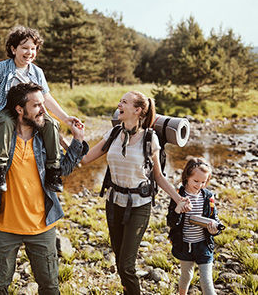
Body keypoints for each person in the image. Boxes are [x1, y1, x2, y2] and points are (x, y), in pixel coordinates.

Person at [0, 82, 89, 295]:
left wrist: (78, 140)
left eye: (43, 104)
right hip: (4, 228)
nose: (44, 110)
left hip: (42, 228)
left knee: (50, 287)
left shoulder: (47, 138)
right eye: (37, 105)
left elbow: (63, 169)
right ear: (19, 109)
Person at [81, 90, 192, 295]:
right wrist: (66, 140)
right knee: (119, 258)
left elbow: (158, 176)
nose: (118, 104)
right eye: (120, 101)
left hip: (139, 207)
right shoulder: (113, 134)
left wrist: (178, 198)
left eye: (124, 102)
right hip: (113, 203)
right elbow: (85, 159)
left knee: (126, 265)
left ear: (137, 110)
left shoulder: (150, 139)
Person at [0, 25, 82, 193]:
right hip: (6, 111)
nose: (29, 52)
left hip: (31, 114)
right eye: (24, 47)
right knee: (5, 121)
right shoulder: (1, 68)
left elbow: (46, 97)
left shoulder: (37, 72)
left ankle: (53, 171)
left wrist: (65, 117)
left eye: (33, 48)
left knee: (51, 123)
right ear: (13, 48)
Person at [167, 157, 222, 295]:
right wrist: (178, 210)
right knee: (186, 276)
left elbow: (214, 217)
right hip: (185, 245)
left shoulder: (208, 196)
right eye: (195, 181)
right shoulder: (178, 195)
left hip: (203, 245)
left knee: (207, 281)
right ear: (187, 177)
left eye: (203, 182)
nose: (199, 185)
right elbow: (171, 223)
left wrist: (215, 229)